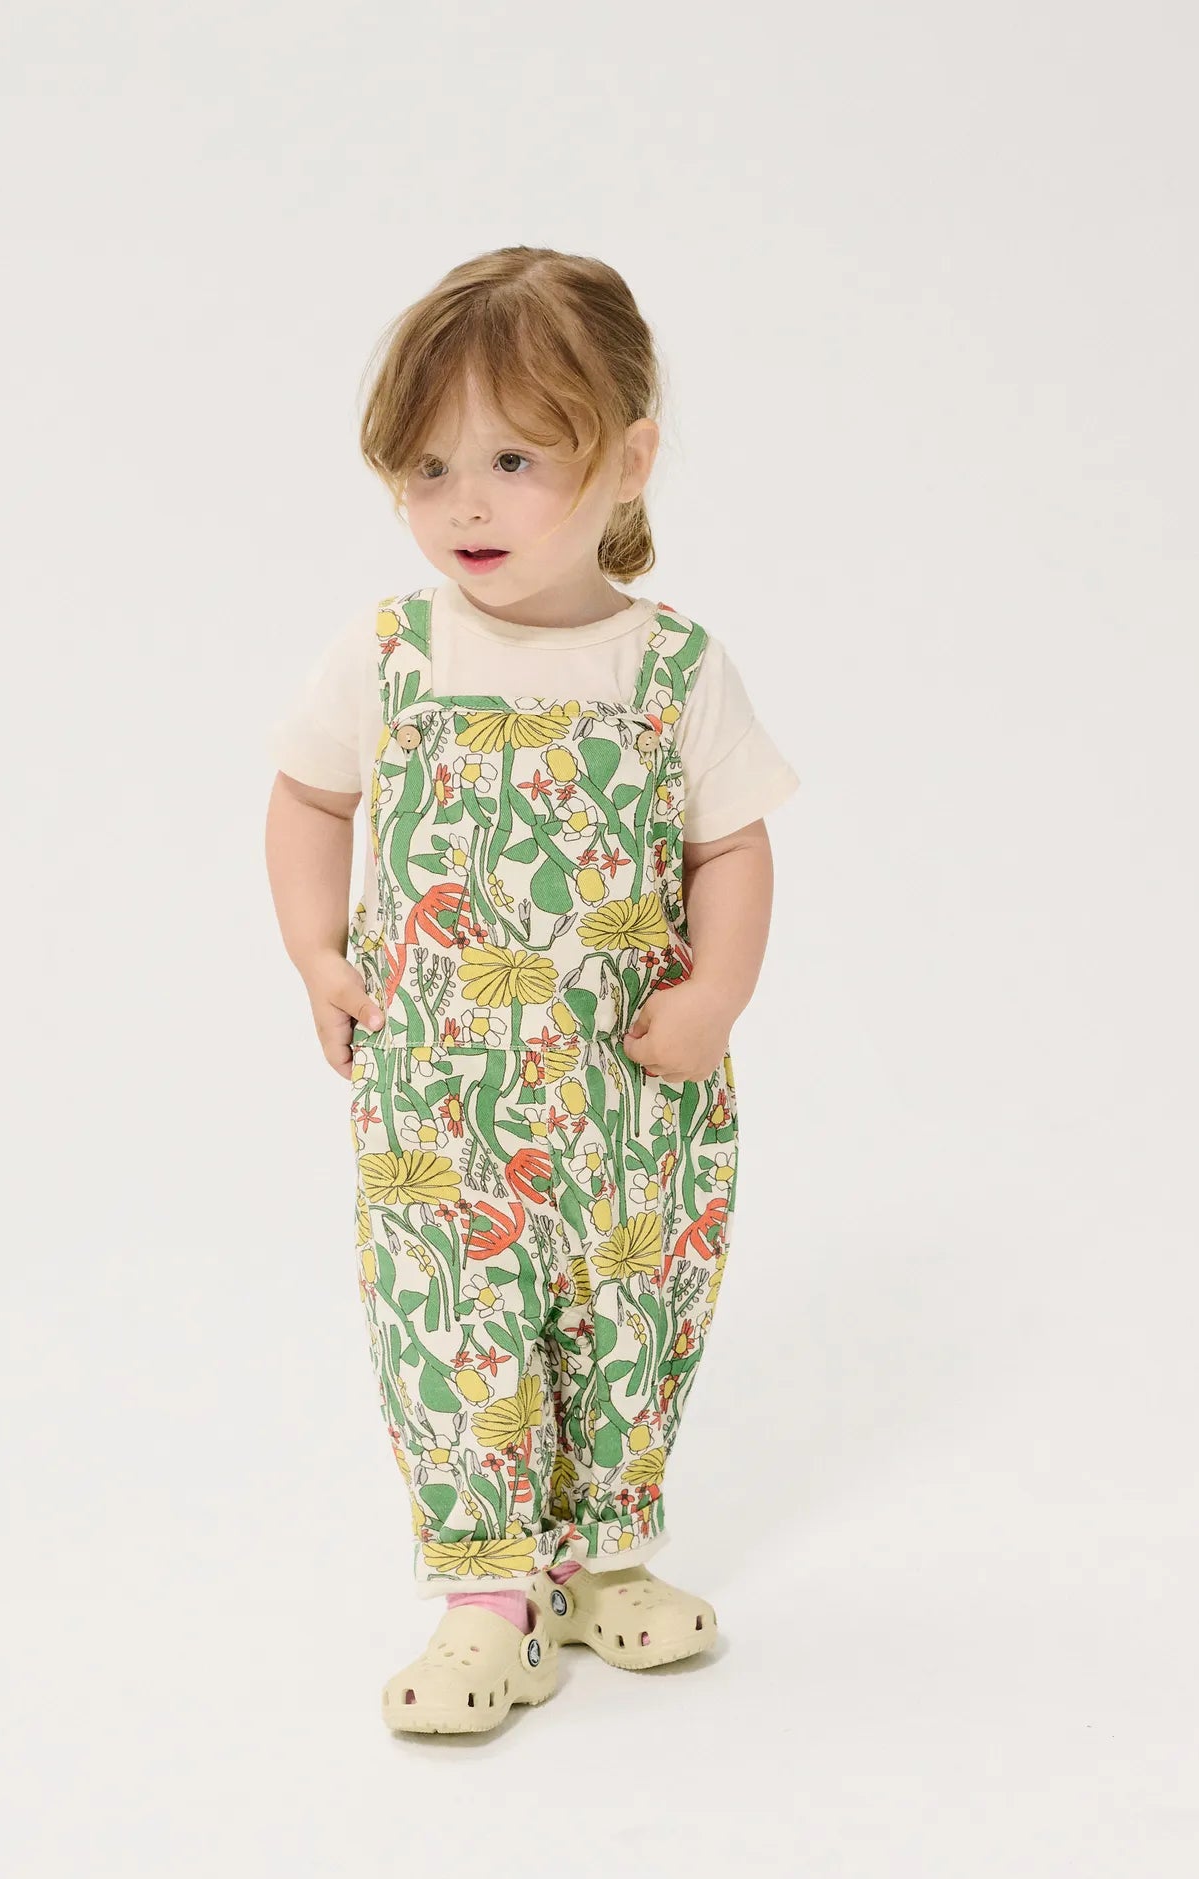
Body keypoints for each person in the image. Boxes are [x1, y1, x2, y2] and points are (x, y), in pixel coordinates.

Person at [264, 245, 800, 1735]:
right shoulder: (393, 655)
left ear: (626, 460)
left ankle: (603, 1553)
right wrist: (317, 950)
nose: (467, 505)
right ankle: (488, 1595)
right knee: (454, 1324)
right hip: (443, 1106)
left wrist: (718, 995)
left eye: (513, 460)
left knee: (629, 1313)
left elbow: (732, 844)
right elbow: (309, 800)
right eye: (428, 469)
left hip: (632, 1099)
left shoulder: (671, 668)